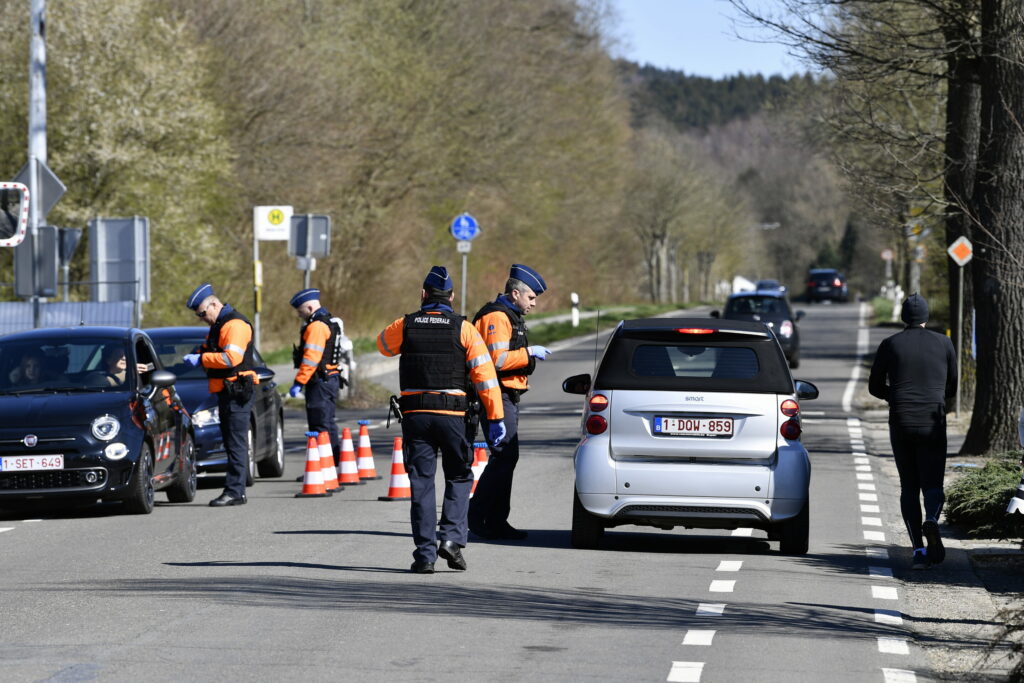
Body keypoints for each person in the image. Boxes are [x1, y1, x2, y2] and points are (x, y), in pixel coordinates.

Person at [377, 266, 505, 574]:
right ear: (452, 296)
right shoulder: (464, 329)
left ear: (423, 294)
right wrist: (496, 417)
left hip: (416, 416)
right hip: (452, 417)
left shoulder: (405, 325)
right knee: (459, 477)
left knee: (421, 484)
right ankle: (450, 539)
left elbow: (382, 346)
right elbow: (485, 378)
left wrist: (410, 325)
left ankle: (424, 556)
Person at [868, 293, 957, 569]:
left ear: (903, 317)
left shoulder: (890, 344)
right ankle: (932, 519)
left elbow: (874, 386)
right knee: (933, 483)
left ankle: (918, 549)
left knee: (909, 485)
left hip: (902, 420)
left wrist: (893, 396)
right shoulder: (944, 343)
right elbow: (952, 387)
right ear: (926, 317)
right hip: (933, 420)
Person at [468, 263, 551, 540]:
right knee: (504, 457)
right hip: (497, 395)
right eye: (531, 298)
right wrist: (529, 353)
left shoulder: (509, 315)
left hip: (506, 395)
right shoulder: (497, 317)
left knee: (506, 458)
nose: (534, 303)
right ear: (515, 294)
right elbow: (497, 360)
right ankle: (480, 516)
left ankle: (494, 520)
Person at [184, 283, 259, 507]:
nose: (201, 318)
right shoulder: (220, 325)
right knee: (231, 442)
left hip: (236, 391)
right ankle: (236, 490)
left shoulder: (234, 325)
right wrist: (198, 353)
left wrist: (201, 360)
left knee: (235, 444)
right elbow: (211, 348)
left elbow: (230, 359)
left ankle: (235, 491)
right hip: (228, 392)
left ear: (214, 305)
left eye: (202, 313)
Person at [288, 288, 343, 466]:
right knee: (326, 423)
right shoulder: (328, 321)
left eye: (300, 310)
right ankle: (329, 464)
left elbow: (311, 359)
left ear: (310, 307)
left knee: (321, 424)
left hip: (320, 381)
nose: (298, 315)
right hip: (328, 379)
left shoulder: (316, 326)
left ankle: (325, 467)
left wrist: (298, 382)